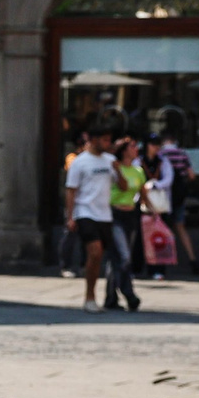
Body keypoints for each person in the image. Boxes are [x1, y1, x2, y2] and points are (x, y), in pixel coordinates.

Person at [63, 126, 127, 313]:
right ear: (93, 139)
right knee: (95, 252)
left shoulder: (110, 161)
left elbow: (123, 187)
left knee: (98, 258)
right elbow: (71, 190)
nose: (108, 144)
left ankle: (93, 292)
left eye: (109, 140)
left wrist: (119, 170)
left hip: (104, 214)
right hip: (85, 211)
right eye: (105, 140)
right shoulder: (80, 162)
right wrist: (71, 216)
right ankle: (89, 297)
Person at [109, 135, 148, 309]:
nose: (136, 149)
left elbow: (143, 193)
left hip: (131, 215)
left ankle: (110, 298)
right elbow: (124, 187)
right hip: (114, 214)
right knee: (124, 257)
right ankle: (129, 293)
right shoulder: (114, 168)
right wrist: (117, 171)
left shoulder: (138, 170)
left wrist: (153, 210)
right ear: (124, 150)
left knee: (116, 259)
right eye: (133, 146)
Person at [157, 134, 199, 274]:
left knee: (161, 228)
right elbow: (191, 175)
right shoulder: (182, 153)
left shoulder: (161, 154)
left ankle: (161, 262)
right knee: (180, 227)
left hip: (162, 197)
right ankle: (192, 259)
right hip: (179, 197)